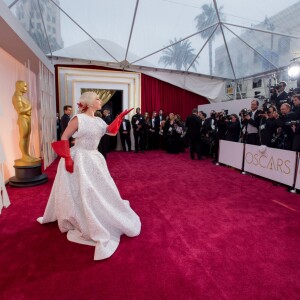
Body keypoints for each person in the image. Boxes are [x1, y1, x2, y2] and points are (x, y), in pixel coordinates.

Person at [37, 91, 141, 260]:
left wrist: (119, 118)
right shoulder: (78, 119)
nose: (101, 101)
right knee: (80, 191)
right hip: (78, 158)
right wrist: (68, 158)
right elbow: (64, 137)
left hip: (94, 158)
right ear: (90, 102)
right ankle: (79, 216)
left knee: (100, 190)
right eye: (98, 98)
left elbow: (111, 132)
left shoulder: (99, 120)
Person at [12, 80, 40, 165]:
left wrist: (28, 108)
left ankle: (27, 154)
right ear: (19, 86)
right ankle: (24, 155)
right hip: (22, 118)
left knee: (27, 136)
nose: (26, 88)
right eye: (24, 86)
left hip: (27, 118)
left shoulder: (22, 97)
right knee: (24, 136)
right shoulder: (17, 97)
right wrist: (29, 107)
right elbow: (20, 110)